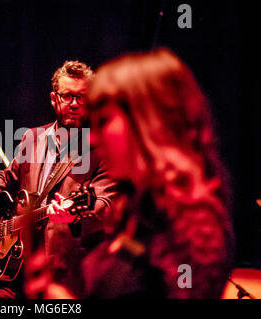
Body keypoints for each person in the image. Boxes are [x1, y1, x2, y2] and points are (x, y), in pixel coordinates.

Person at [0, 60, 117, 299]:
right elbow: (7, 176)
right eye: (67, 96)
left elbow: (105, 204)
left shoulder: (103, 150)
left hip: (65, 274)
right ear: (54, 98)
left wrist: (73, 214)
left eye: (82, 97)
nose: (74, 104)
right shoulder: (33, 138)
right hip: (18, 265)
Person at [78, 48, 235, 298]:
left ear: (149, 121)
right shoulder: (136, 206)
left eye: (105, 120)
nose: (94, 137)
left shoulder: (195, 223)